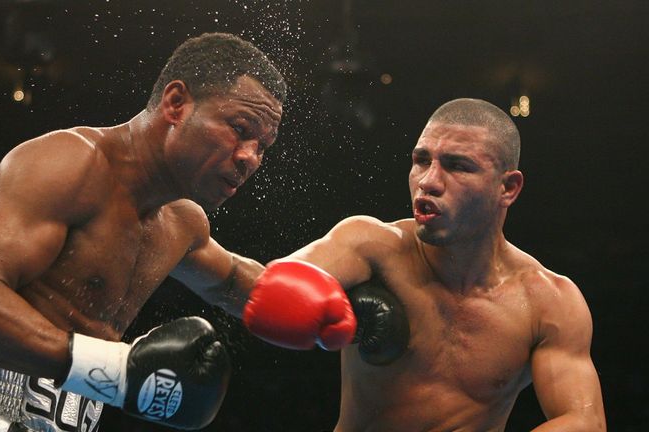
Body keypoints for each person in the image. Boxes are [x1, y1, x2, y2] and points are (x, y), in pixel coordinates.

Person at [0, 32, 360, 432]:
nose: (250, 158)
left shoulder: (181, 224)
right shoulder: (69, 165)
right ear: (176, 103)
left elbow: (252, 290)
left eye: (263, 146)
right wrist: (119, 371)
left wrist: (352, 314)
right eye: (239, 130)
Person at [243, 98, 606, 431]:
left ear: (507, 188)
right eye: (421, 161)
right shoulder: (370, 245)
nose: (428, 182)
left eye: (457, 166)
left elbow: (584, 421)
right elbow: (281, 280)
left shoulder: (547, 301)